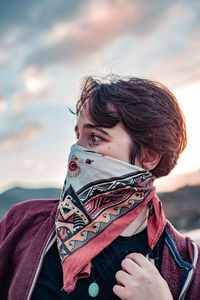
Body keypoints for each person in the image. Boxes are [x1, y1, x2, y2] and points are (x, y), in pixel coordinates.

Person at [0, 75, 199, 300]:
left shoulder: (188, 265)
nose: (76, 151)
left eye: (95, 137)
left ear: (149, 156)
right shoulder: (22, 224)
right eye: (78, 136)